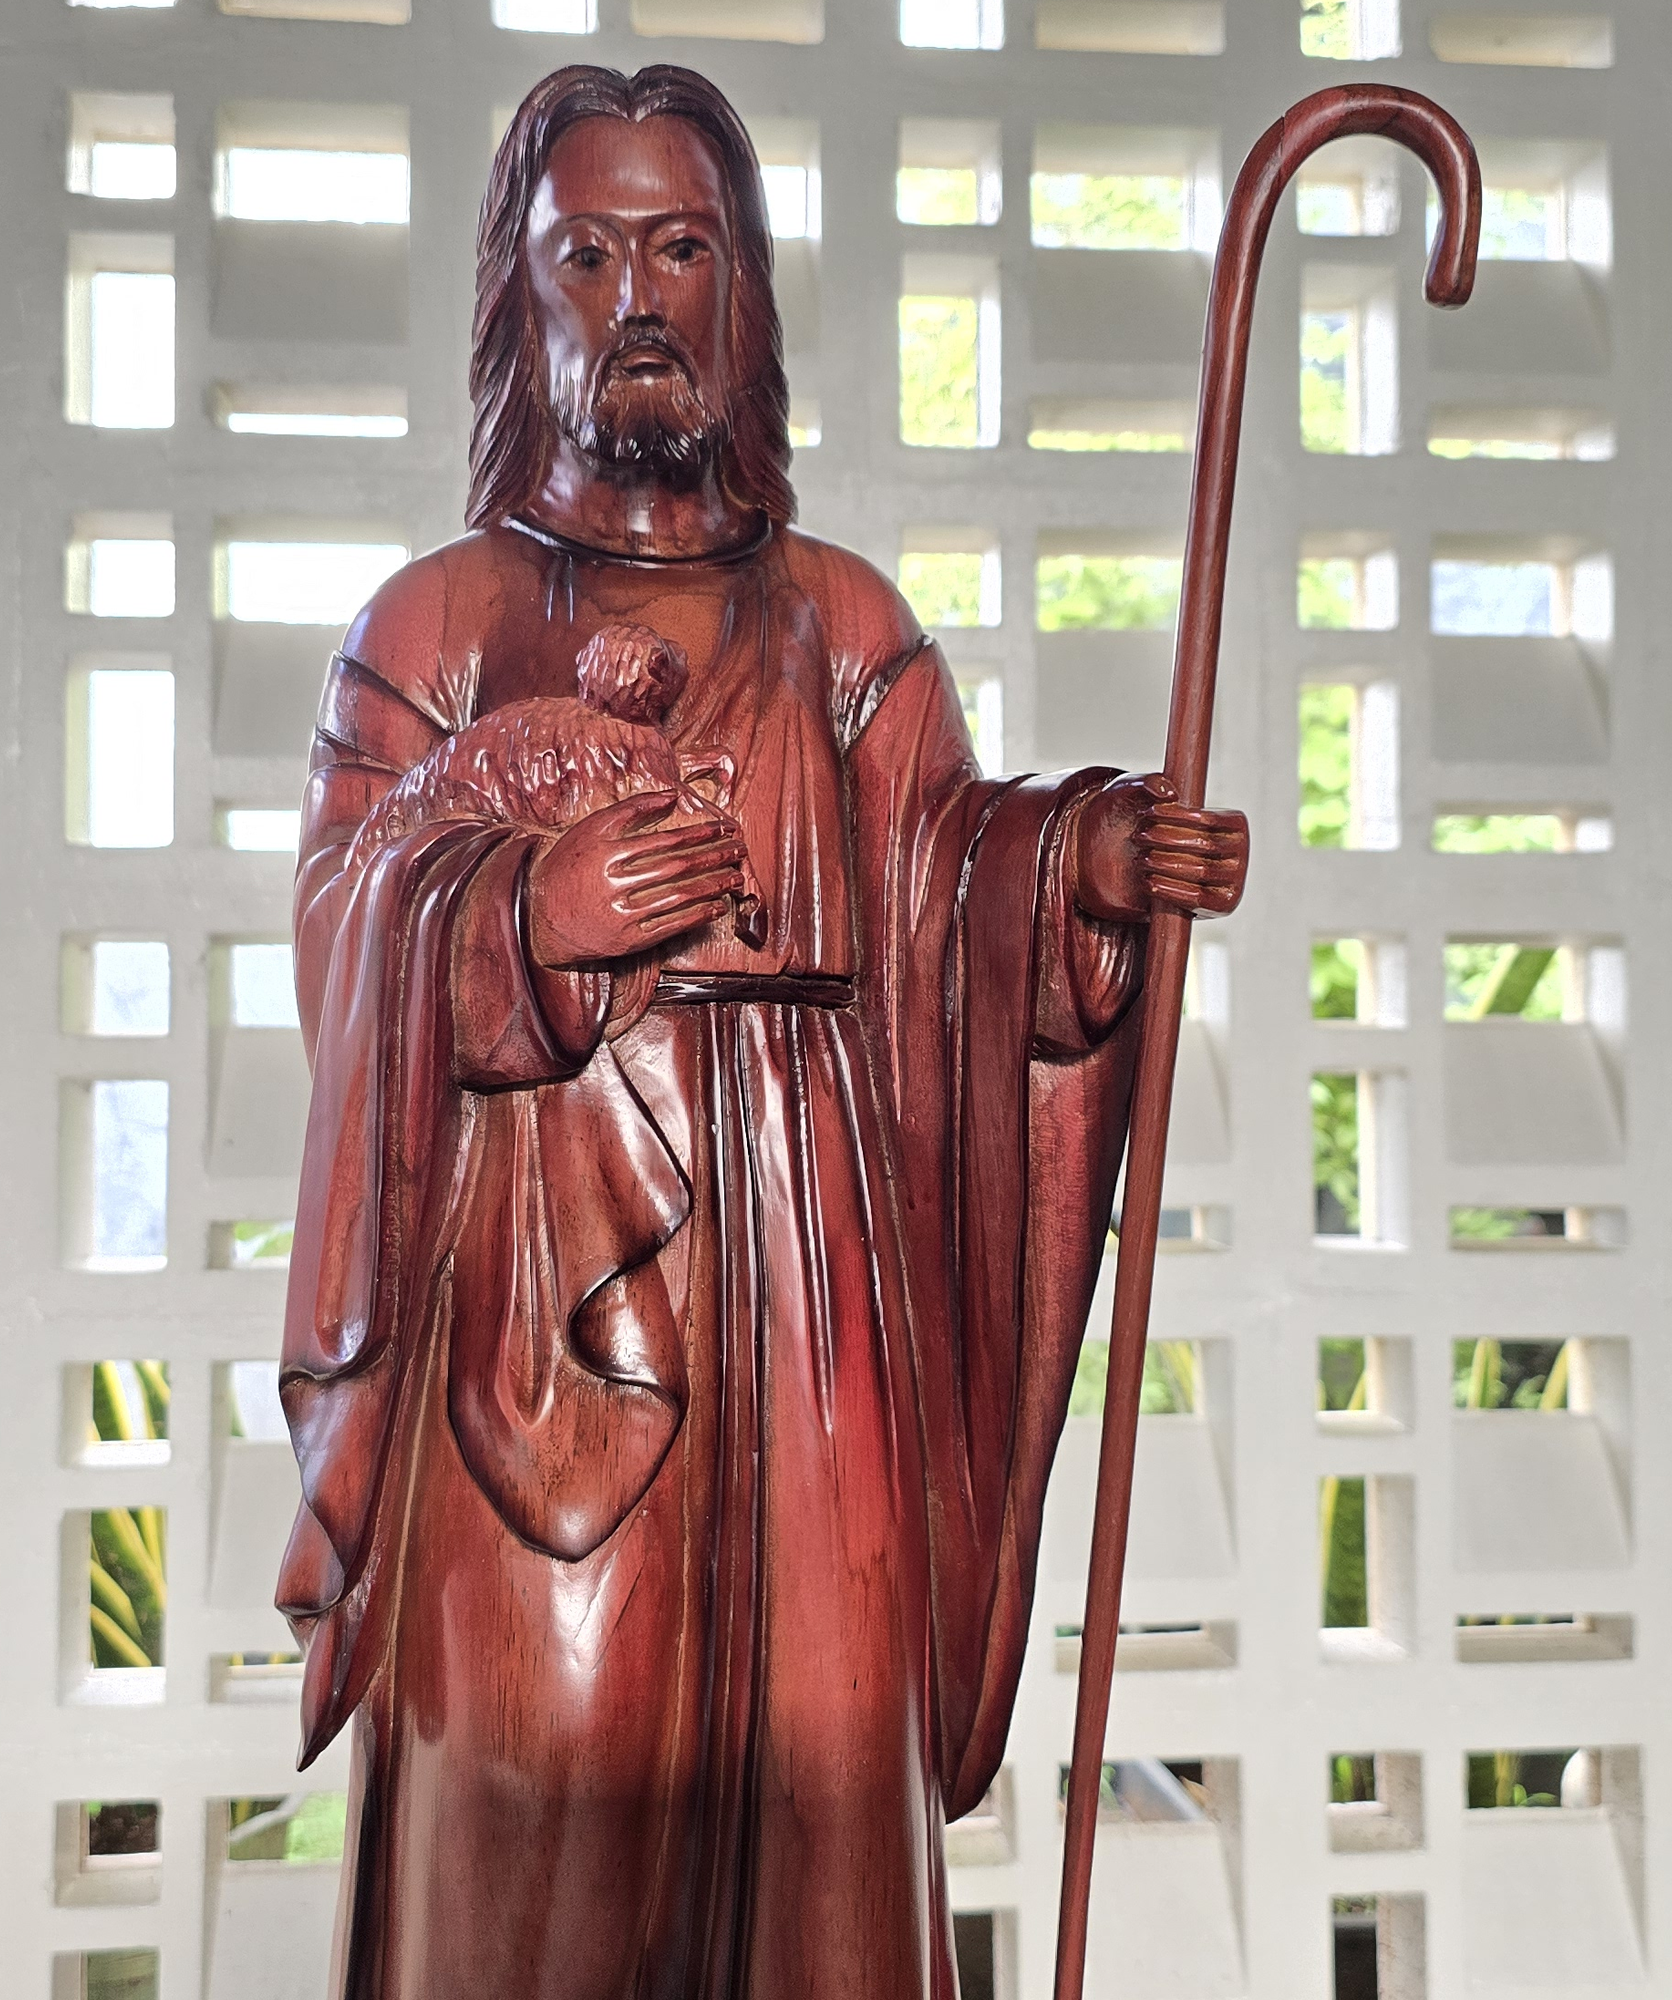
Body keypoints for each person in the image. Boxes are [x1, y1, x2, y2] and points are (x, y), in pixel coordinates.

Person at [277, 63, 1247, 2000]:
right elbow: (340, 942)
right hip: (533, 1319)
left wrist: (1077, 872)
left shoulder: (843, 624)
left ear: (744, 295)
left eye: (681, 245)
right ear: (517, 294)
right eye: (588, 250)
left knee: (819, 1790)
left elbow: (947, 894)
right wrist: (523, 912)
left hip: (820, 1306)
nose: (636, 293)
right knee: (529, 1793)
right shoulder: (434, 625)